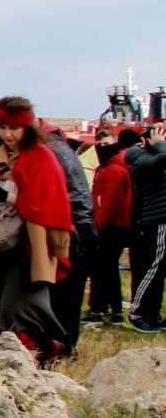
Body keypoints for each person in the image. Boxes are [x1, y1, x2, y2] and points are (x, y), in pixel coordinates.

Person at [0, 97, 75, 360]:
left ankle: (47, 349)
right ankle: (4, 359)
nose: (8, 134)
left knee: (20, 307)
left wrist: (5, 197)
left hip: (26, 246)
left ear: (27, 128)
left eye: (14, 128)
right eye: (3, 127)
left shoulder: (42, 158)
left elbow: (48, 206)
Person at [43, 120, 95, 351]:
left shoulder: (51, 152)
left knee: (63, 293)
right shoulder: (62, 150)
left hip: (68, 229)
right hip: (77, 227)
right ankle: (65, 342)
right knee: (68, 295)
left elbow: (71, 198)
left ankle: (62, 343)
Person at [88, 128, 139, 323]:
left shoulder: (113, 169)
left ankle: (105, 308)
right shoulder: (110, 167)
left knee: (104, 269)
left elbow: (107, 203)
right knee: (108, 269)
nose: (102, 148)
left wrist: (97, 227)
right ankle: (111, 309)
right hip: (113, 224)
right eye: (100, 144)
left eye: (106, 144)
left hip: (111, 226)